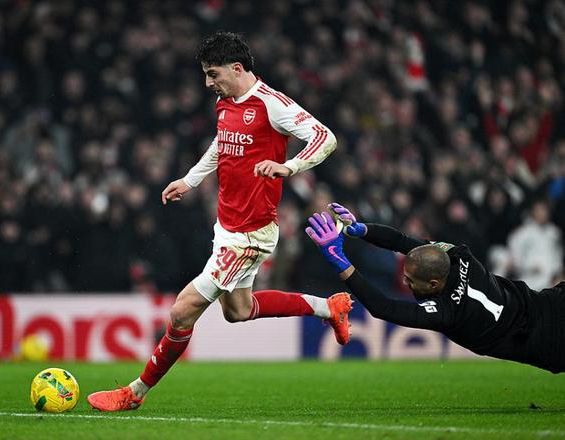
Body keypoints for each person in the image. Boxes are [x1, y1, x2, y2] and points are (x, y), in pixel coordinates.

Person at [87, 31, 352, 411]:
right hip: (226, 227)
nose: (208, 83)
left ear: (237, 68)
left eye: (213, 74)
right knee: (237, 310)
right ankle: (330, 308)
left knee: (182, 310)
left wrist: (289, 166)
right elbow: (221, 144)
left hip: (251, 232)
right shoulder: (224, 103)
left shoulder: (271, 104)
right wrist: (190, 180)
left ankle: (134, 393)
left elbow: (325, 138)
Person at [304, 203, 565, 374]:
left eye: (411, 281)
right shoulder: (461, 256)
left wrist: (339, 260)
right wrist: (361, 229)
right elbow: (402, 241)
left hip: (550, 341)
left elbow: (383, 307)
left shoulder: (448, 311)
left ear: (433, 284)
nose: (405, 283)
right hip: (553, 301)